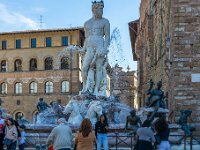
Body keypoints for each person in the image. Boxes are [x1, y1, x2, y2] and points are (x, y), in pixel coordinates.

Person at [80, 0, 110, 96]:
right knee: (84, 68)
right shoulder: (87, 23)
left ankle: (97, 90)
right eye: (100, 9)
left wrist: (104, 48)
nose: (102, 11)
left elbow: (107, 37)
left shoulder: (105, 22)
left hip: (100, 46)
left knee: (99, 68)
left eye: (102, 9)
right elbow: (86, 37)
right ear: (94, 9)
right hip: (89, 47)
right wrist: (83, 48)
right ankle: (85, 88)